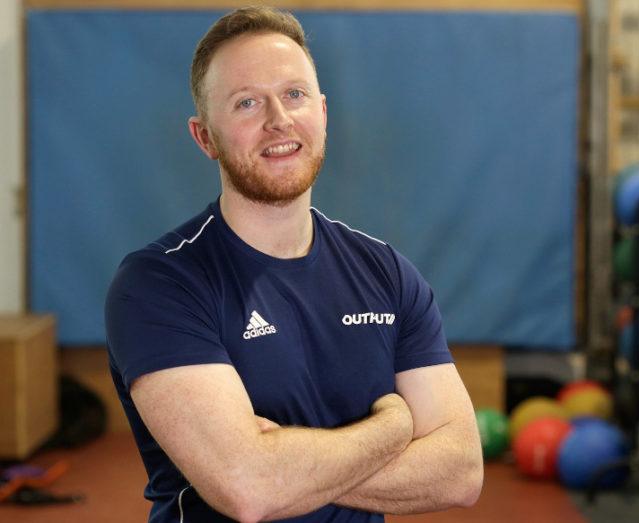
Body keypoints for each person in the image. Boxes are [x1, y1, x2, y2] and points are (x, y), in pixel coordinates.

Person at [105, 6, 483, 523]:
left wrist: (285, 463)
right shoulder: (159, 285)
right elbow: (249, 489)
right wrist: (392, 429)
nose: (277, 120)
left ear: (322, 113)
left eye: (294, 94)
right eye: (245, 103)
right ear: (205, 138)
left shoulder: (387, 275)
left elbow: (461, 471)